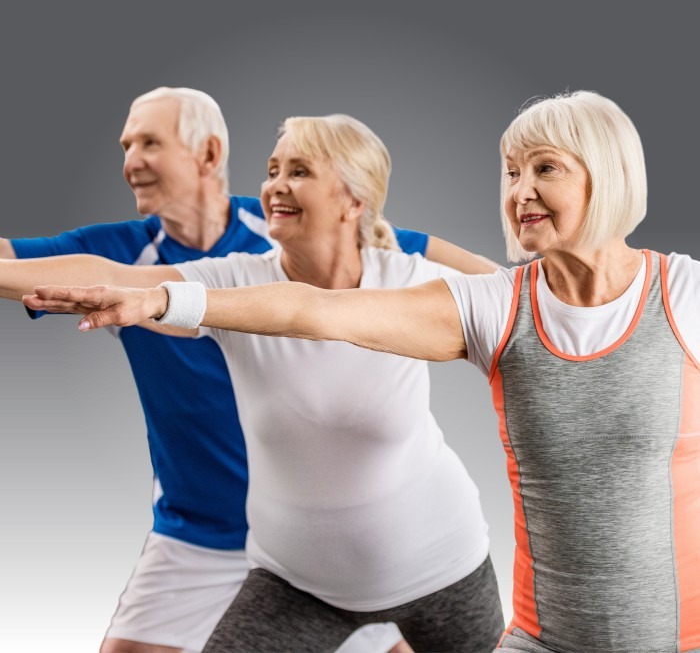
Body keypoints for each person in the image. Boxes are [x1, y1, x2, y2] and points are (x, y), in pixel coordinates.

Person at [37, 91, 700, 652]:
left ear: (606, 174)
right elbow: (313, 311)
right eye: (510, 172)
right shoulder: (496, 305)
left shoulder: (683, 294)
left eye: (544, 168)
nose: (519, 191)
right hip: (488, 628)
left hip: (552, 599)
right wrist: (163, 299)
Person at [0, 88, 498, 653]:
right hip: (285, 572)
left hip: (435, 563)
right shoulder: (231, 275)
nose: (276, 185)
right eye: (272, 170)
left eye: (299, 171)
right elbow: (113, 274)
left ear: (352, 201)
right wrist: (149, 298)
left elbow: (502, 302)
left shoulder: (403, 275)